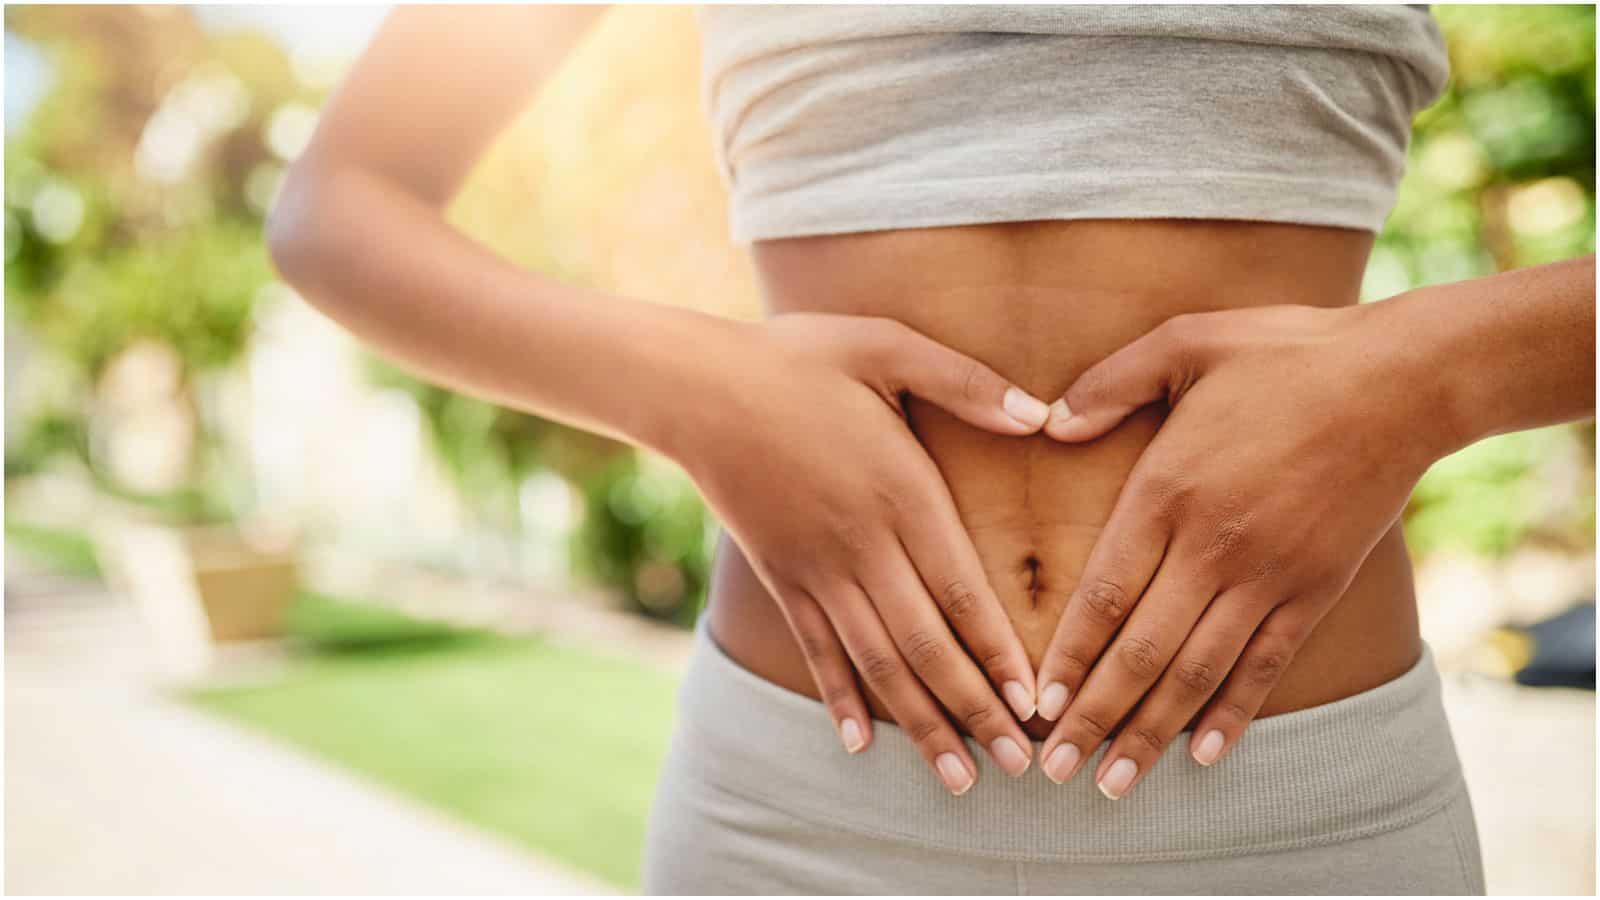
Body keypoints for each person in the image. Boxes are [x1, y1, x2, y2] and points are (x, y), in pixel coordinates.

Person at [266, 5, 1594, 894]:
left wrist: (1438, 374)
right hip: (798, 825)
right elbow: (343, 205)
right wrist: (702, 393)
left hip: (1306, 828)